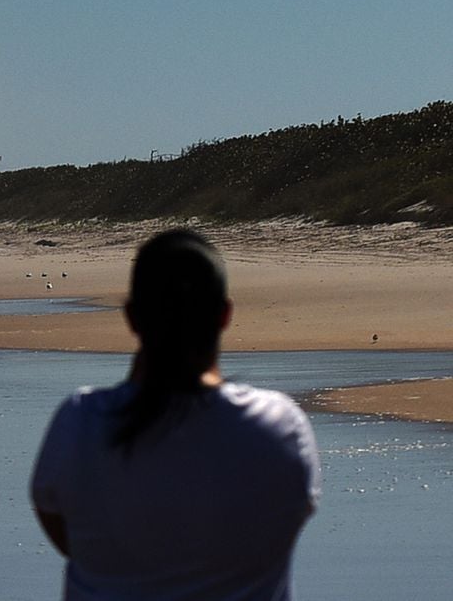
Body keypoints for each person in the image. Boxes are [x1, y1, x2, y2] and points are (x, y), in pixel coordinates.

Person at [30, 229, 320, 600]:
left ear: (133, 318)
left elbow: (70, 535)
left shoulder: (81, 422)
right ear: (224, 315)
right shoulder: (279, 426)